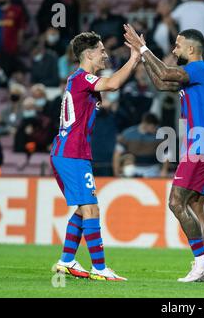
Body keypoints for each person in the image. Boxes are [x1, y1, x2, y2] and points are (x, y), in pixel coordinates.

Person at [124, 25, 204, 282]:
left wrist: (144, 48)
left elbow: (165, 72)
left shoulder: (197, 68)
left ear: (191, 48)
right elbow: (160, 81)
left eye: (177, 45)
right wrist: (141, 54)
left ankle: (202, 262)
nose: (174, 49)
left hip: (201, 145)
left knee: (176, 202)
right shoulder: (198, 74)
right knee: (196, 207)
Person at [52, 31, 142, 281]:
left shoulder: (79, 80)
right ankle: (100, 268)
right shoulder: (82, 78)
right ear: (89, 53)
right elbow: (112, 83)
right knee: (91, 209)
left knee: (83, 209)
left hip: (70, 153)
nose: (105, 54)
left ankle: (66, 260)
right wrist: (134, 57)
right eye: (101, 50)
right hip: (72, 154)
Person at [113, 112, 168, 178]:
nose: (155, 129)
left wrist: (164, 170)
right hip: (133, 168)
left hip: (153, 169)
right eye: (153, 127)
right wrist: (116, 172)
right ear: (145, 124)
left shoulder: (160, 135)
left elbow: (166, 154)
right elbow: (117, 154)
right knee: (128, 169)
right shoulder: (128, 134)